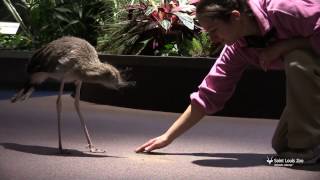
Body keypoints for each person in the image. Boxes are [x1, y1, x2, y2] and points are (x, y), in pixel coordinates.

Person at [135, 0, 320, 163]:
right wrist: (168, 137)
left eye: (214, 30)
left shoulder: (282, 8)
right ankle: (307, 147)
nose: (213, 39)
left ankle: (307, 150)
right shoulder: (239, 47)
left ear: (235, 16)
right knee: (285, 144)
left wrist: (285, 46)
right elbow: (208, 95)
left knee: (297, 60)